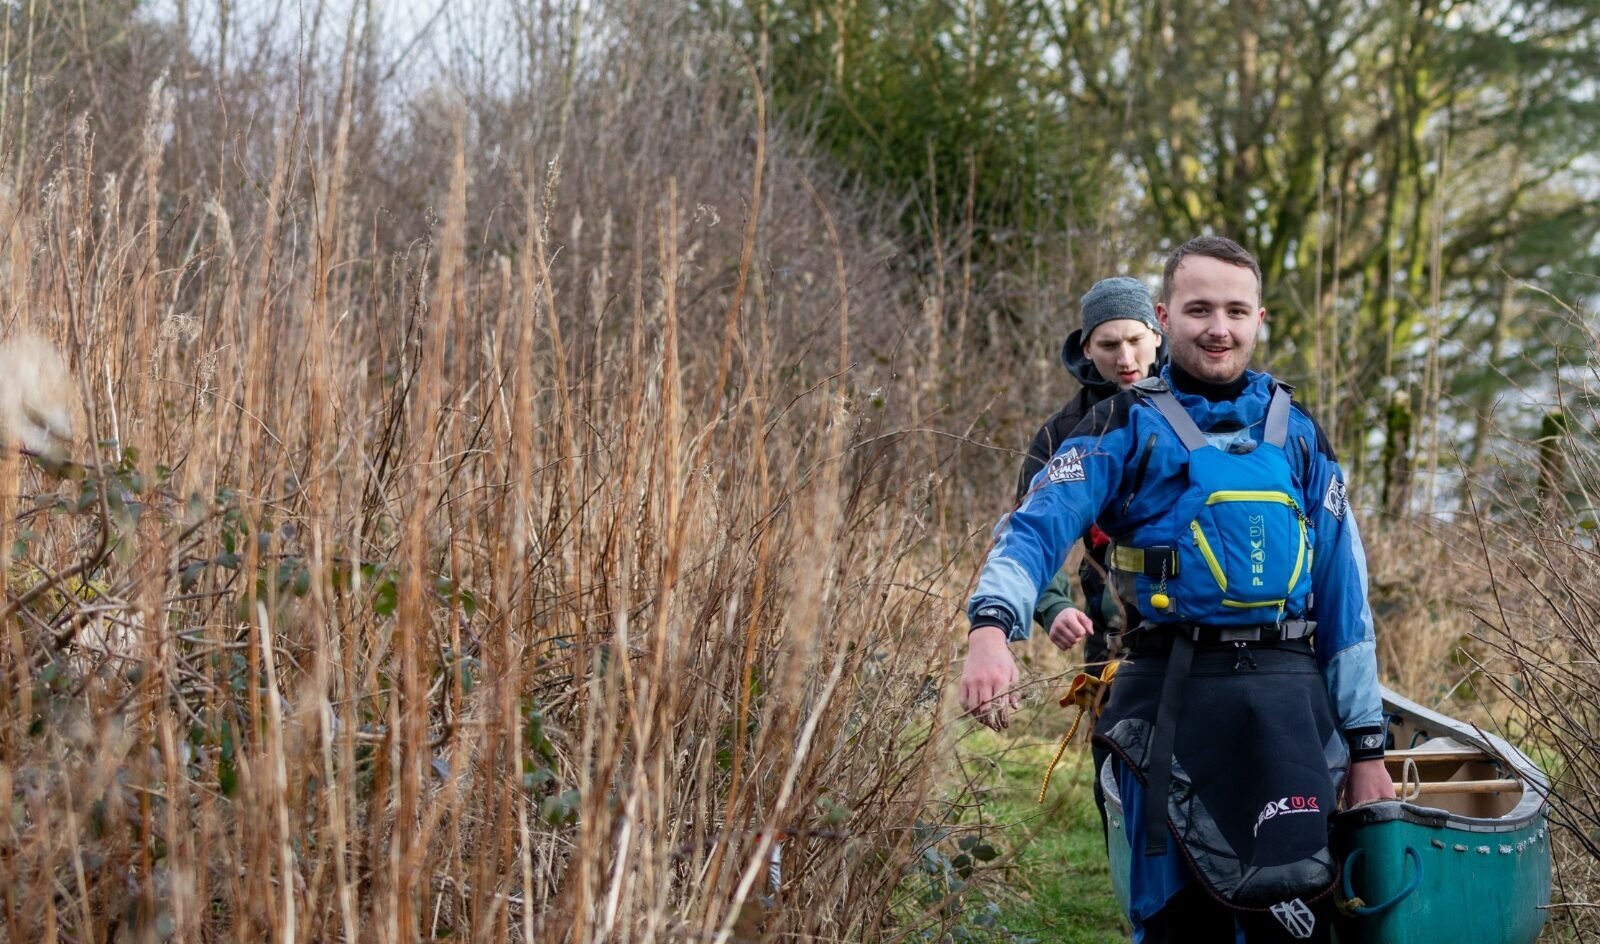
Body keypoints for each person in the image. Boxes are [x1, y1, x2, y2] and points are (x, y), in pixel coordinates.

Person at [959, 236, 1394, 943]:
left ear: (1261, 320)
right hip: (1166, 704)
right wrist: (991, 628)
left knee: (1299, 919)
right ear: (1165, 317)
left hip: (1290, 710)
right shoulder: (1119, 425)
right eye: (1198, 310)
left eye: (1235, 310)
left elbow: (1347, 601)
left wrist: (1368, 752)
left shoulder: (1301, 434)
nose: (1218, 327)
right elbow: (1034, 529)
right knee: (1176, 926)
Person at [1014, 276, 1166, 667]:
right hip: (1113, 642)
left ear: (1158, 334)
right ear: (1086, 349)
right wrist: (1054, 605)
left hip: (1205, 639)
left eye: (1135, 340)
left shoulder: (1202, 406)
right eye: (1109, 345)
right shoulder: (1064, 432)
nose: (1126, 359)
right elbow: (1029, 529)